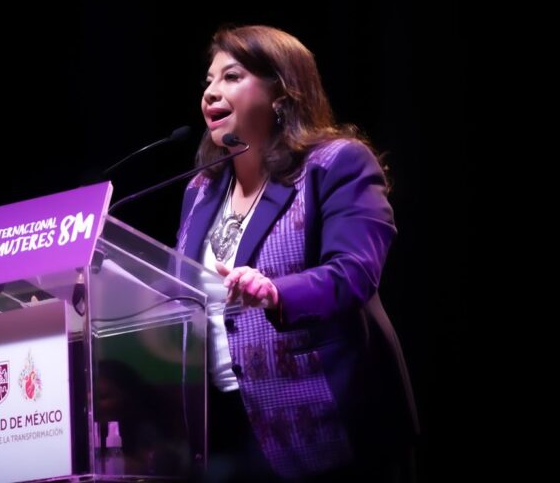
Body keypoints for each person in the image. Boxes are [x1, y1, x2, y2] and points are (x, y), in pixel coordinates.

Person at [175, 25, 419, 482]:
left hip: (328, 425)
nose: (210, 92)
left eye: (232, 76)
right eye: (208, 80)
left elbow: (355, 272)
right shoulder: (201, 190)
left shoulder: (336, 163)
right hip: (224, 426)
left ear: (281, 93)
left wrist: (276, 292)